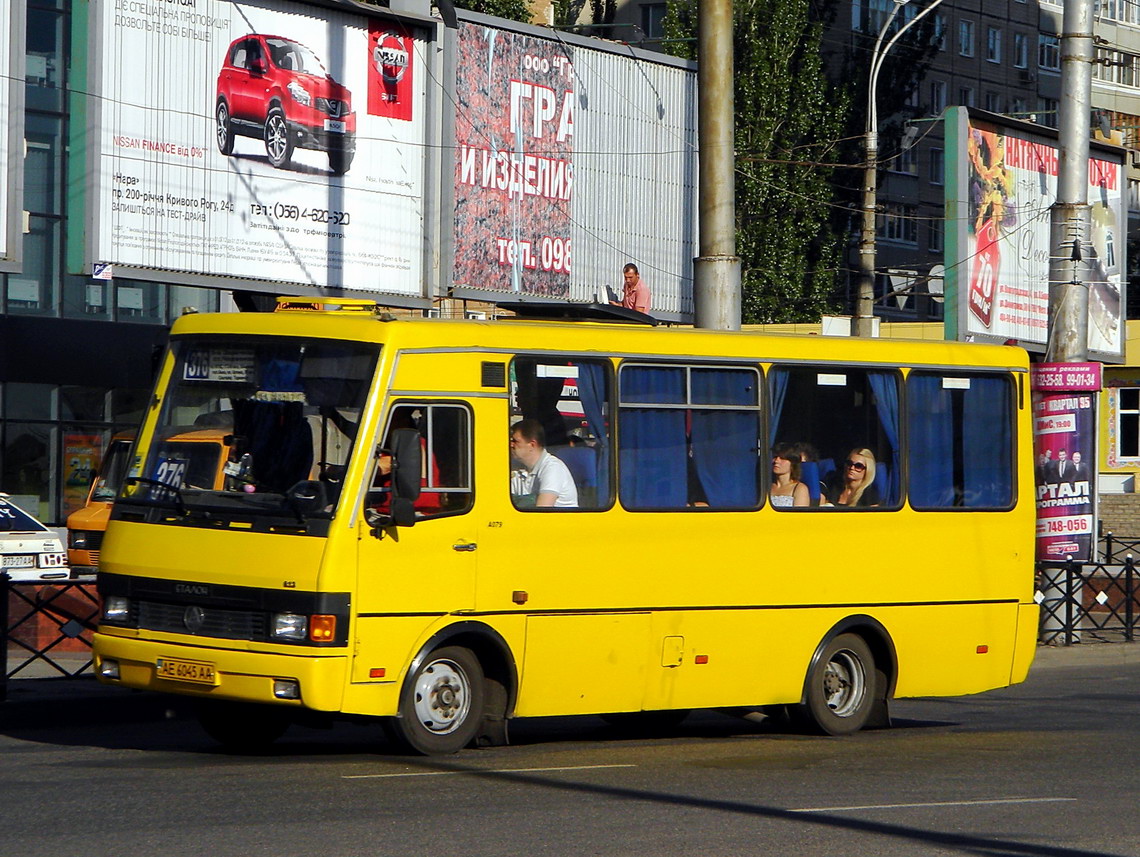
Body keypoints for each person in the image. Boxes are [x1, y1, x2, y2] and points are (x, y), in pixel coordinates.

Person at [509, 418, 578, 508]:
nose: (511, 444)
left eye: (515, 441)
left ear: (532, 445)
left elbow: (543, 510)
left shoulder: (553, 468)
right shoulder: (517, 469)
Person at [769, 444, 809, 508]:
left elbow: (800, 516)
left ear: (792, 463)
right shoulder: (766, 487)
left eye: (782, 458)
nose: (776, 461)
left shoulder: (800, 489)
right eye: (775, 457)